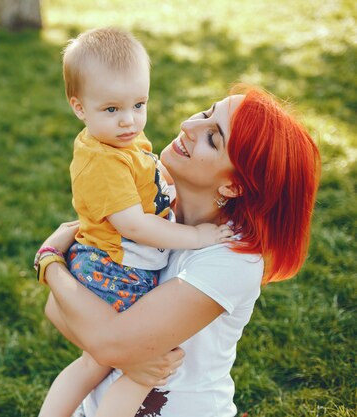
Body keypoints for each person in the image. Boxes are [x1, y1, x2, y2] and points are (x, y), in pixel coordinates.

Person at [35, 85, 321, 417]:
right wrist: (118, 352)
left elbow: (106, 339)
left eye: (213, 138)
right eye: (205, 114)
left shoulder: (232, 260)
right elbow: (57, 310)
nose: (188, 126)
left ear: (233, 186)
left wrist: (50, 260)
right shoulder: (147, 210)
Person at [36, 28, 233, 417]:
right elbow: (136, 226)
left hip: (117, 265)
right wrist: (194, 234)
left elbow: (151, 175)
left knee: (98, 361)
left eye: (138, 104)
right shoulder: (103, 161)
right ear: (79, 107)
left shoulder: (124, 140)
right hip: (114, 270)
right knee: (136, 367)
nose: (128, 120)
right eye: (111, 109)